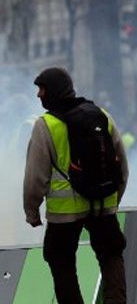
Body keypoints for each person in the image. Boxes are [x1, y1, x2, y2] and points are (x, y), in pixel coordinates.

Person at [22, 67, 129, 304]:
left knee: (60, 261)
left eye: (42, 89)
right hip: (103, 204)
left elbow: (34, 178)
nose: (39, 94)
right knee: (111, 254)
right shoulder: (101, 115)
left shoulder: (45, 125)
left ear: (54, 91)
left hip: (65, 213)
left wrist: (32, 212)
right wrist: (113, 199)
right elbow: (122, 167)